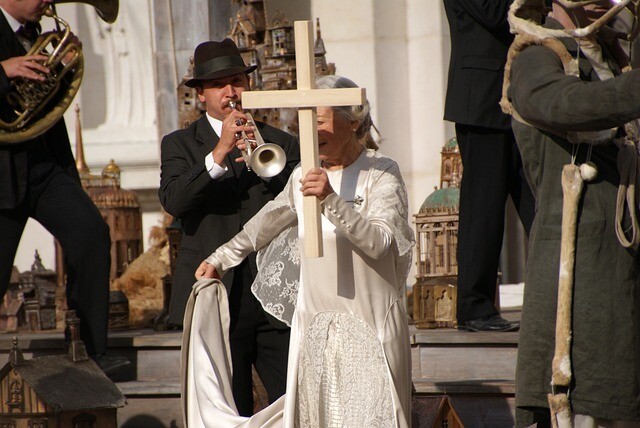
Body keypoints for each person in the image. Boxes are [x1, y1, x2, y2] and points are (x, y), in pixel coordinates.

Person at [183, 75, 415, 427]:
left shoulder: (380, 172)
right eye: (303, 122)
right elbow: (266, 223)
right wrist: (221, 259)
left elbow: (381, 244)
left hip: (370, 325)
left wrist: (332, 201)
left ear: (351, 121)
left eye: (318, 120)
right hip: (316, 326)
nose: (309, 130)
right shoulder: (305, 175)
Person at [503, 0, 640, 425]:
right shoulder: (535, 55)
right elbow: (562, 103)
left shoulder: (610, 59)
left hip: (623, 258)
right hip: (580, 256)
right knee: (588, 402)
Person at [158, 39, 300, 415]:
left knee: (294, 398)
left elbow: (295, 204)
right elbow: (174, 202)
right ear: (201, 94)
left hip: (273, 288)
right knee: (225, 406)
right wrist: (219, 153)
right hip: (215, 287)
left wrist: (260, 156)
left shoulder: (281, 142)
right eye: (219, 84)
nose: (231, 91)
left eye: (237, 80)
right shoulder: (179, 144)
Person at [0, 0, 128, 376]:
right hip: (2, 172)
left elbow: (48, 112)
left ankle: (89, 353)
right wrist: (3, 71)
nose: (49, 2)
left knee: (91, 233)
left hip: (43, 168)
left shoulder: (36, 34)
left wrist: (71, 181)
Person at [443, 0, 535, 332]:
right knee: (484, 207)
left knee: (539, 206)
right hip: (481, 98)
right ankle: (474, 306)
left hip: (522, 100)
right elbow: (496, 14)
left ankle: (553, 297)